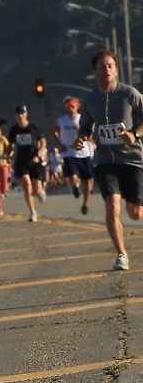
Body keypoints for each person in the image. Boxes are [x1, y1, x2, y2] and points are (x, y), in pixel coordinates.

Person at [76, 49, 143, 271]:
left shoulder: (129, 94)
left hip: (132, 159)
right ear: (94, 70)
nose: (106, 69)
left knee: (135, 213)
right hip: (104, 161)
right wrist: (82, 137)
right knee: (112, 204)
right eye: (102, 66)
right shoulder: (89, 100)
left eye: (110, 66)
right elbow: (86, 125)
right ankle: (121, 254)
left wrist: (135, 134)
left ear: (116, 70)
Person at [53, 96, 94, 214]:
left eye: (73, 106)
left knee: (88, 180)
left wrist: (81, 131)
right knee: (72, 177)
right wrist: (60, 144)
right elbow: (53, 131)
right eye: (68, 107)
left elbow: (90, 136)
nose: (71, 109)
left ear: (77, 107)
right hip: (69, 153)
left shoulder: (83, 120)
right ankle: (75, 186)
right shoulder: (61, 120)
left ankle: (85, 203)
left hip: (84, 152)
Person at [8, 105, 45, 222]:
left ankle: (40, 191)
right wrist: (8, 155)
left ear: (26, 114)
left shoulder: (33, 127)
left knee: (36, 188)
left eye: (22, 113)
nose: (20, 116)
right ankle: (32, 211)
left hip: (34, 159)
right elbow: (10, 145)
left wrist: (38, 155)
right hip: (21, 161)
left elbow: (43, 142)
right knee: (27, 184)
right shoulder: (14, 130)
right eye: (18, 114)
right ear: (15, 115)